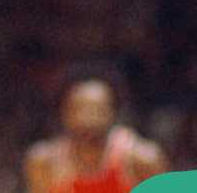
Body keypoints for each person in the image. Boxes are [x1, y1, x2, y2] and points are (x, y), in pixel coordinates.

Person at [24, 76, 168, 193]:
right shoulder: (44, 162)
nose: (87, 119)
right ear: (64, 113)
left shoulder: (142, 159)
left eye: (97, 111)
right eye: (79, 109)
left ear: (114, 113)